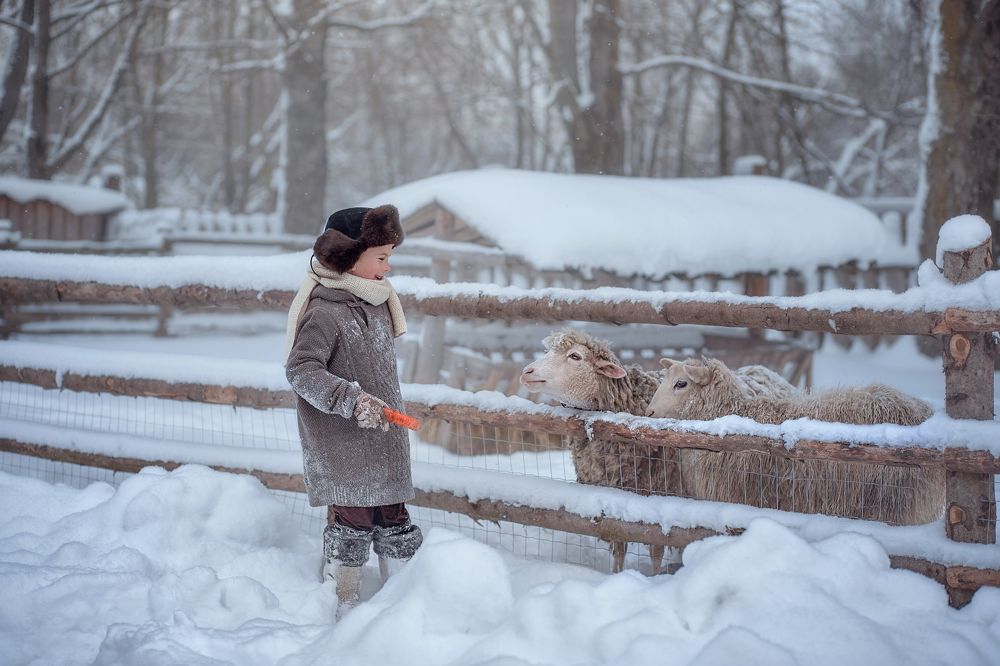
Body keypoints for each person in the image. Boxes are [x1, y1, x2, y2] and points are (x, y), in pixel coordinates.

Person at [284, 204, 422, 616]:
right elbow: (301, 369)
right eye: (381, 257)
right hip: (344, 443)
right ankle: (343, 603)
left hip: (384, 440)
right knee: (354, 520)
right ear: (347, 258)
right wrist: (351, 399)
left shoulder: (376, 302)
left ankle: (407, 605)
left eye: (389, 256)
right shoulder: (325, 311)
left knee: (394, 517)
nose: (389, 267)